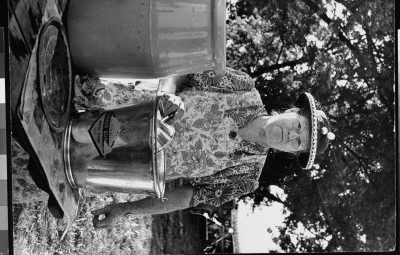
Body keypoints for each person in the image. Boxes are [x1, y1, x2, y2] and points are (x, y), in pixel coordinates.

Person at [72, 67, 335, 229]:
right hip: (110, 104)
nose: (291, 134)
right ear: (292, 111)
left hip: (111, 165)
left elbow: (186, 197)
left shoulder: (246, 177)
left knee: (40, 170)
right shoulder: (242, 88)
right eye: (299, 126)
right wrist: (167, 93)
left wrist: (124, 210)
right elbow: (184, 70)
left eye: (298, 142)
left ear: (292, 153)